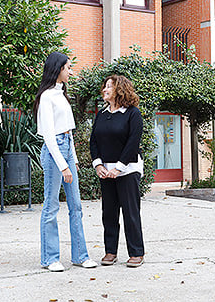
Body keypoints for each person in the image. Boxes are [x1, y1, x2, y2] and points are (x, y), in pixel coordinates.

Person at [33, 52, 97, 272]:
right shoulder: (47, 96)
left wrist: (74, 160)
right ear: (57, 69)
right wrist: (63, 165)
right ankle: (50, 258)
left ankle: (80, 255)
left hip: (67, 150)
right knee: (51, 207)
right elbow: (49, 136)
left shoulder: (61, 95)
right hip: (54, 153)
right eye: (68, 67)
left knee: (76, 206)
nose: (71, 71)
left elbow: (67, 132)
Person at [90, 75, 145, 268]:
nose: (104, 90)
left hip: (128, 169)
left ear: (119, 90)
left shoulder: (132, 114)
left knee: (130, 212)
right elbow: (93, 141)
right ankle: (110, 251)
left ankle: (136, 253)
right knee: (109, 213)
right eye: (104, 87)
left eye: (108, 87)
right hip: (105, 170)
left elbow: (133, 142)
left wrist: (118, 168)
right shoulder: (102, 114)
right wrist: (98, 165)